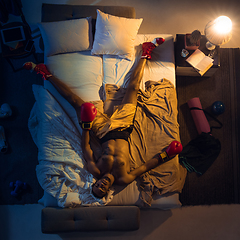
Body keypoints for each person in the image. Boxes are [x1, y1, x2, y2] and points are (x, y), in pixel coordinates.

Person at [24, 38, 182, 198]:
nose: (102, 184)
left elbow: (86, 147)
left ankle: (45, 73)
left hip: (102, 132)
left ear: (95, 183)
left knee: (78, 103)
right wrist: (166, 154)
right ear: (108, 191)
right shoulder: (124, 178)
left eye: (97, 186)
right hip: (123, 127)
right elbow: (146, 166)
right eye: (103, 189)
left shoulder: (96, 170)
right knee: (133, 88)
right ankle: (146, 52)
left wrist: (86, 125)